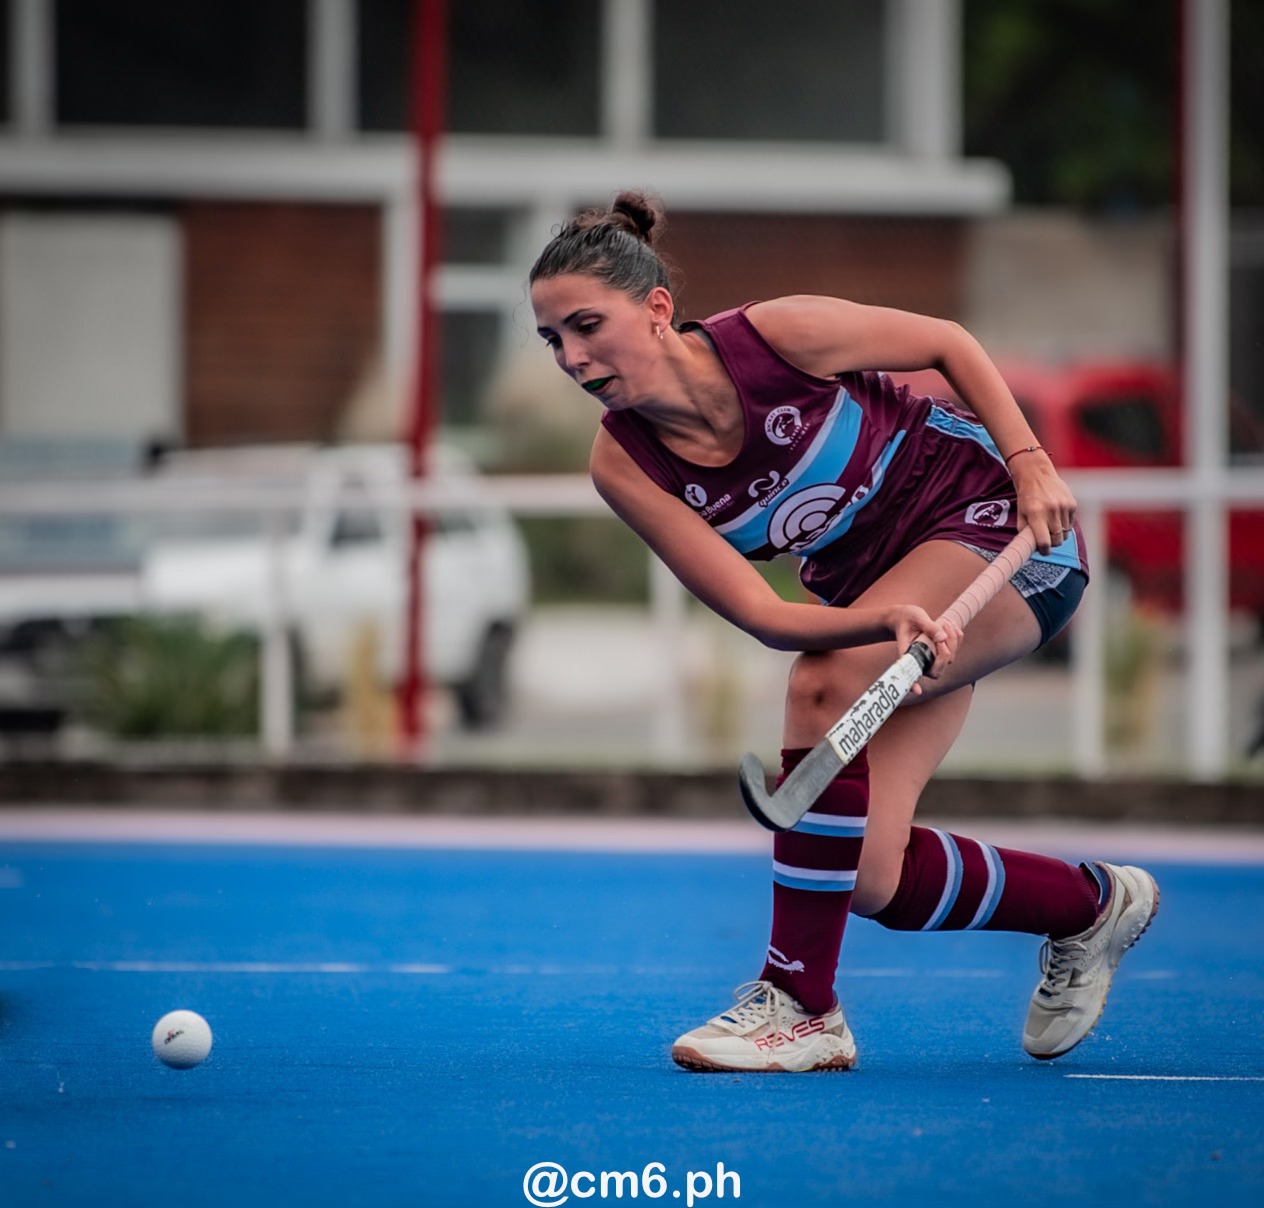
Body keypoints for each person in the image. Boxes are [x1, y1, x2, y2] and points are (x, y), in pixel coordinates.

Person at [528, 192, 1159, 1073]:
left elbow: (948, 342)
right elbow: (762, 613)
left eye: (587, 326)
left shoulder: (777, 337)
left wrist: (1031, 463)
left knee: (823, 684)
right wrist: (880, 618)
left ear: (657, 309)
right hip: (894, 606)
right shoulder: (623, 462)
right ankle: (1089, 906)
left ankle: (800, 1006)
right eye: (552, 339)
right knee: (867, 873)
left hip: (1001, 532)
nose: (572, 357)